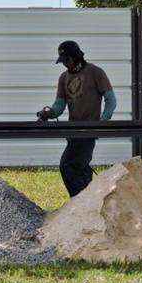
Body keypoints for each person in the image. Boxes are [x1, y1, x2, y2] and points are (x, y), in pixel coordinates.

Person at [37, 40, 117, 197]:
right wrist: (49, 113)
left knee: (68, 165)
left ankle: (81, 201)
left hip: (89, 130)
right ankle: (88, 201)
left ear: (76, 57)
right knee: (80, 167)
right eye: (63, 61)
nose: (65, 64)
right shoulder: (63, 78)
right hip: (73, 131)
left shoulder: (95, 73)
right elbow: (59, 106)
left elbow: (111, 100)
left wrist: (102, 122)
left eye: (67, 60)